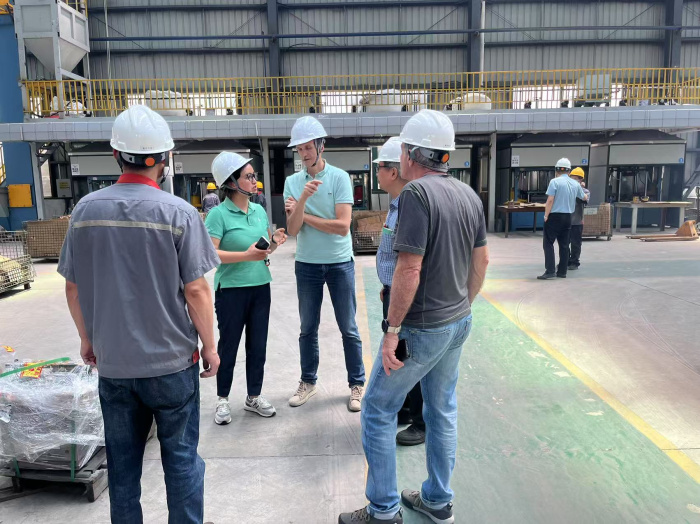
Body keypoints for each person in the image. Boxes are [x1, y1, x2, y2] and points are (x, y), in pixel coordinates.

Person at [58, 105, 220, 524]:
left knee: (123, 471)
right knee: (182, 464)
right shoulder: (179, 213)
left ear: (116, 155)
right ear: (165, 158)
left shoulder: (84, 212)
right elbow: (197, 290)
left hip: (114, 366)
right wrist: (210, 346)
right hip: (172, 365)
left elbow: (73, 287)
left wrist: (88, 338)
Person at [339, 109, 490, 524]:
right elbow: (481, 261)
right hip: (456, 321)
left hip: (421, 327)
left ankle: (383, 510)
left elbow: (409, 269)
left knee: (376, 408)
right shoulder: (468, 195)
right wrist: (461, 307)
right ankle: (438, 501)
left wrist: (392, 331)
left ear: (410, 154)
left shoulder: (416, 196)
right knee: (441, 410)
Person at [283, 115, 365, 412]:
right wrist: (304, 199)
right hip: (307, 264)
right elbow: (293, 230)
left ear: (321, 146)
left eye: (308, 147)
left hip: (339, 263)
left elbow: (342, 226)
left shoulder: (340, 178)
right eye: (300, 149)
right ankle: (308, 381)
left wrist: (303, 213)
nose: (304, 154)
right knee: (308, 328)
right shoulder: (292, 182)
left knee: (349, 328)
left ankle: (357, 384)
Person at [205, 152, 287, 423]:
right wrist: (246, 255)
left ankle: (254, 396)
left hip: (261, 287)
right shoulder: (217, 215)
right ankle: (222, 399)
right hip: (231, 290)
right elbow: (211, 254)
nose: (255, 181)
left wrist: (274, 242)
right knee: (229, 345)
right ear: (231, 182)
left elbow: (264, 251)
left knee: (258, 345)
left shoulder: (259, 211)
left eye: (254, 176)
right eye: (249, 176)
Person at [373, 137, 425, 447]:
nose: (376, 173)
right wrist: (387, 287)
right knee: (401, 355)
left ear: (393, 172)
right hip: (393, 291)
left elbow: (411, 263)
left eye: (379, 167)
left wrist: (399, 292)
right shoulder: (396, 204)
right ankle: (406, 408)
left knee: (411, 356)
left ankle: (421, 421)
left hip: (405, 295)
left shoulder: (408, 206)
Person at [537, 158, 586, 280]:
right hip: (568, 217)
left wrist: (546, 215)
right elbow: (584, 197)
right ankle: (562, 272)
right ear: (569, 171)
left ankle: (550, 271)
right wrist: (582, 187)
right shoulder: (575, 184)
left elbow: (550, 200)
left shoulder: (554, 182)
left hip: (554, 216)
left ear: (556, 170)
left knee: (548, 243)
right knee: (564, 245)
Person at [568, 167, 590, 271]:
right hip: (565, 221)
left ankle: (574, 262)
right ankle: (565, 261)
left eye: (576, 179)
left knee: (575, 244)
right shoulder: (566, 190)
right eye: (571, 178)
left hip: (576, 222)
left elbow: (582, 200)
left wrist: (578, 188)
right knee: (564, 244)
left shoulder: (585, 191)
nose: (573, 180)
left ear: (581, 180)